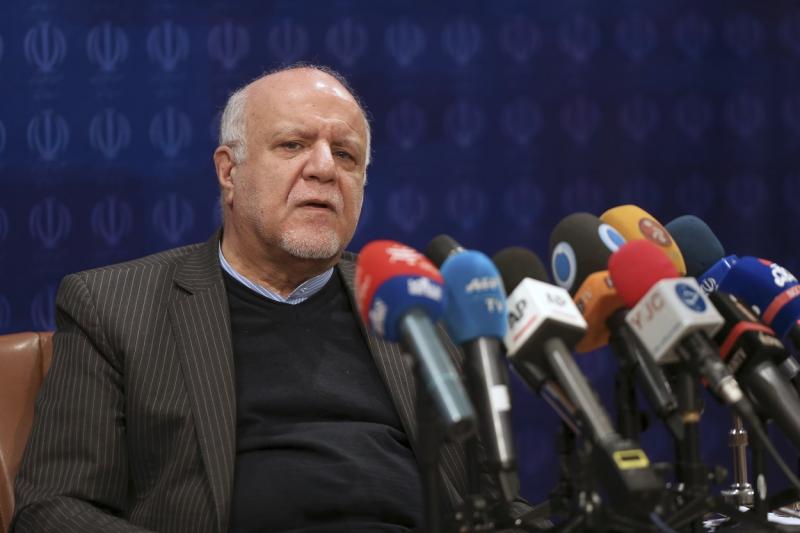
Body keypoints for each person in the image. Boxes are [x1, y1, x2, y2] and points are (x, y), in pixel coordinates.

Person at [12, 65, 531, 532]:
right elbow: (53, 509)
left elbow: (497, 505)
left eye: (345, 155)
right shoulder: (115, 306)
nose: (324, 168)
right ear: (228, 171)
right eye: (293, 145)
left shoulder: (415, 308)